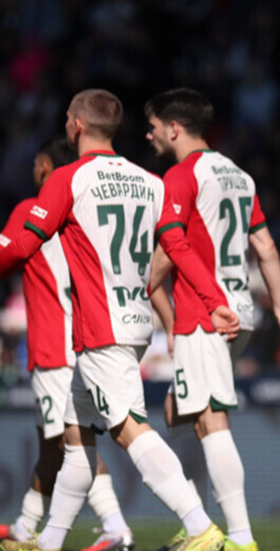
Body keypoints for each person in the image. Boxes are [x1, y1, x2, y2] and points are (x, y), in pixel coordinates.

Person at [0, 89, 240, 551]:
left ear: (76, 126)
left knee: (130, 429)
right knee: (77, 442)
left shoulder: (68, 178)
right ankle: (47, 543)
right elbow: (177, 246)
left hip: (100, 328)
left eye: (67, 118)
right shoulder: (151, 182)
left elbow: (24, 245)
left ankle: (200, 528)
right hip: (132, 321)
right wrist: (214, 300)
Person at [143, 87, 280, 551]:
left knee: (209, 419)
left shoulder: (182, 174)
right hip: (241, 310)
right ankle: (197, 523)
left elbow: (171, 245)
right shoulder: (238, 174)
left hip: (206, 312)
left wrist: (143, 287)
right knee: (178, 411)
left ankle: (239, 537)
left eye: (153, 127)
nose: (149, 135)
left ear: (173, 128)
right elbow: (267, 247)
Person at [0, 139, 134, 551]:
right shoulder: (84, 209)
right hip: (88, 339)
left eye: (36, 165)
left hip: (54, 349)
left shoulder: (31, 210)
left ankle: (115, 527)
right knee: (52, 442)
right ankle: (25, 527)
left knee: (72, 443)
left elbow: (4, 257)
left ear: (44, 167)